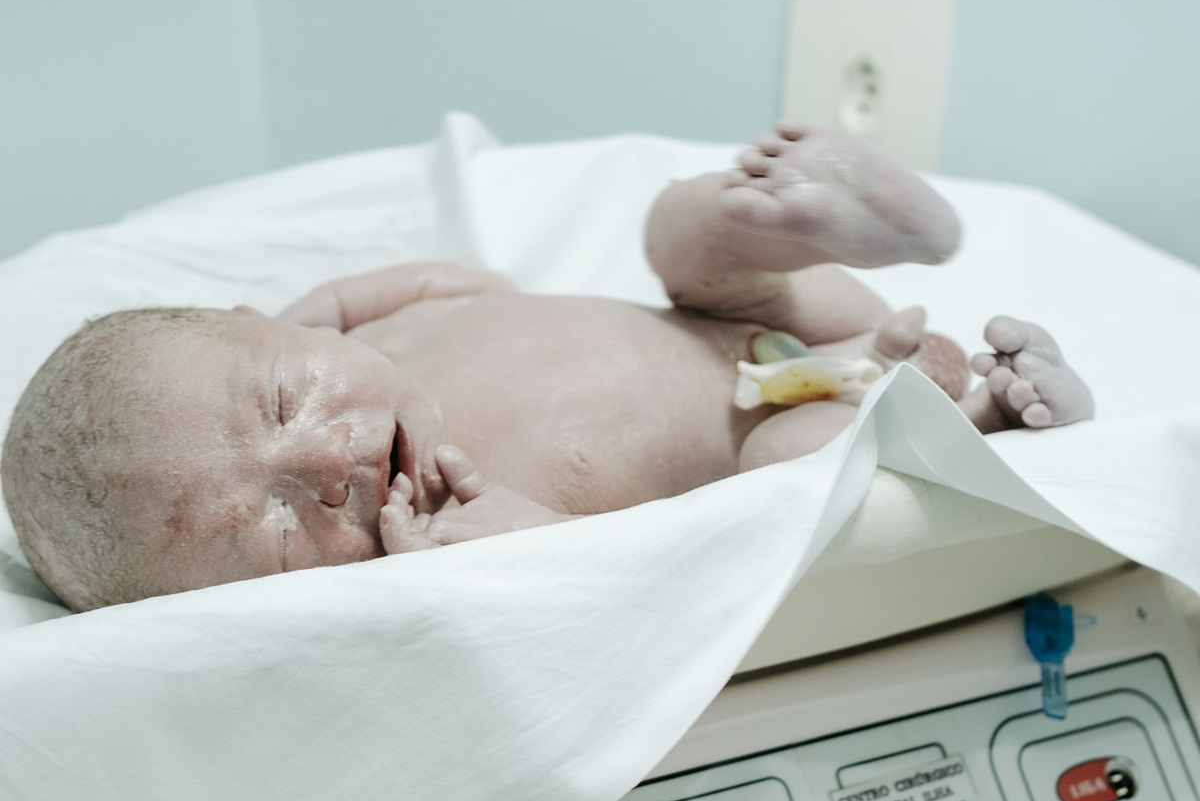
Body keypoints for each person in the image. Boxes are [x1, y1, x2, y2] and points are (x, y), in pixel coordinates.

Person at [0, 124, 1093, 612]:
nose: (325, 467)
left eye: (283, 397)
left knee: (681, 242)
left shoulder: (367, 332)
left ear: (267, 322)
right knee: (797, 484)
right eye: (281, 535)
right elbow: (629, 571)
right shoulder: (442, 532)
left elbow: (439, 277)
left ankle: (807, 215)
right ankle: (981, 407)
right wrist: (517, 546)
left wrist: (332, 309)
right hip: (770, 431)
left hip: (757, 310)